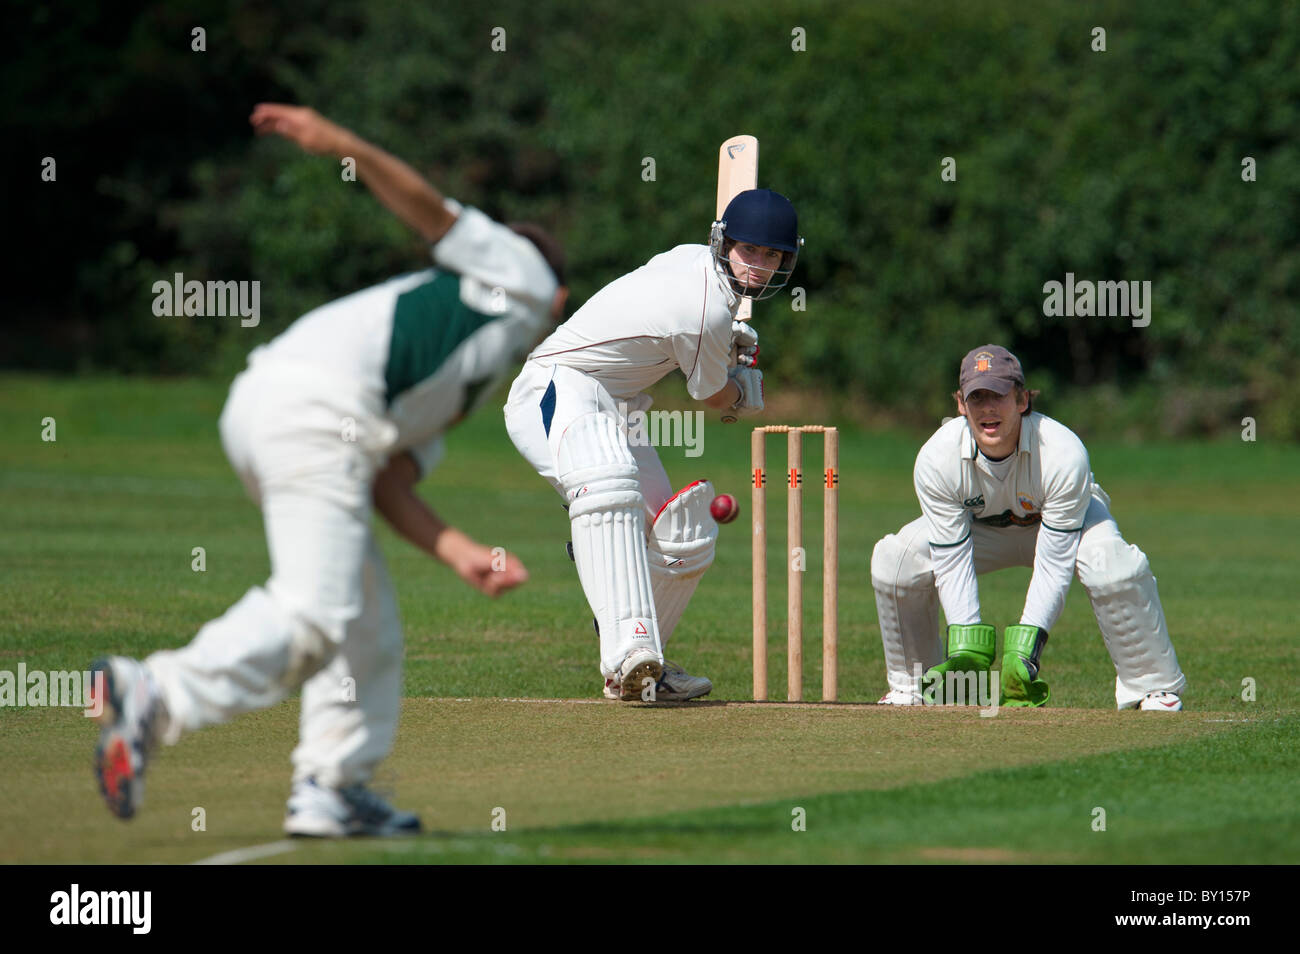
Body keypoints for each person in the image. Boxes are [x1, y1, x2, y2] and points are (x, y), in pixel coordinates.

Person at [90, 103, 567, 836]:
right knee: (315, 613)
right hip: (312, 412)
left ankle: (332, 787)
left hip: (283, 414)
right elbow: (432, 213)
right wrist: (341, 142)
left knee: (366, 628)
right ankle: (156, 689)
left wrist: (457, 549)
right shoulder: (525, 272)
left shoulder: (463, 376)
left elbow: (387, 480)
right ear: (558, 298)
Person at [504, 189, 801, 701]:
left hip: (617, 405)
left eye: (770, 256)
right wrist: (743, 389)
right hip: (557, 385)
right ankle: (627, 651)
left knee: (681, 530)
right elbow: (712, 396)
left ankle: (646, 673)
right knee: (608, 480)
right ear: (724, 243)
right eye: (748, 251)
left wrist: (727, 346)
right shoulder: (705, 311)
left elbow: (678, 334)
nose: (758, 266)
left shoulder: (692, 262)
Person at [872, 345, 1186, 710]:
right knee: (895, 561)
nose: (988, 408)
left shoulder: (1063, 453)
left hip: (1066, 526)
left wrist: (1027, 648)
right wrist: (967, 646)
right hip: (982, 532)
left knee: (1111, 565)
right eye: (978, 397)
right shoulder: (936, 459)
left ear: (1022, 399)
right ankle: (915, 686)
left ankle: (1153, 686)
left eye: (999, 395)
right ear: (960, 404)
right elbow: (951, 558)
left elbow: (1054, 564)